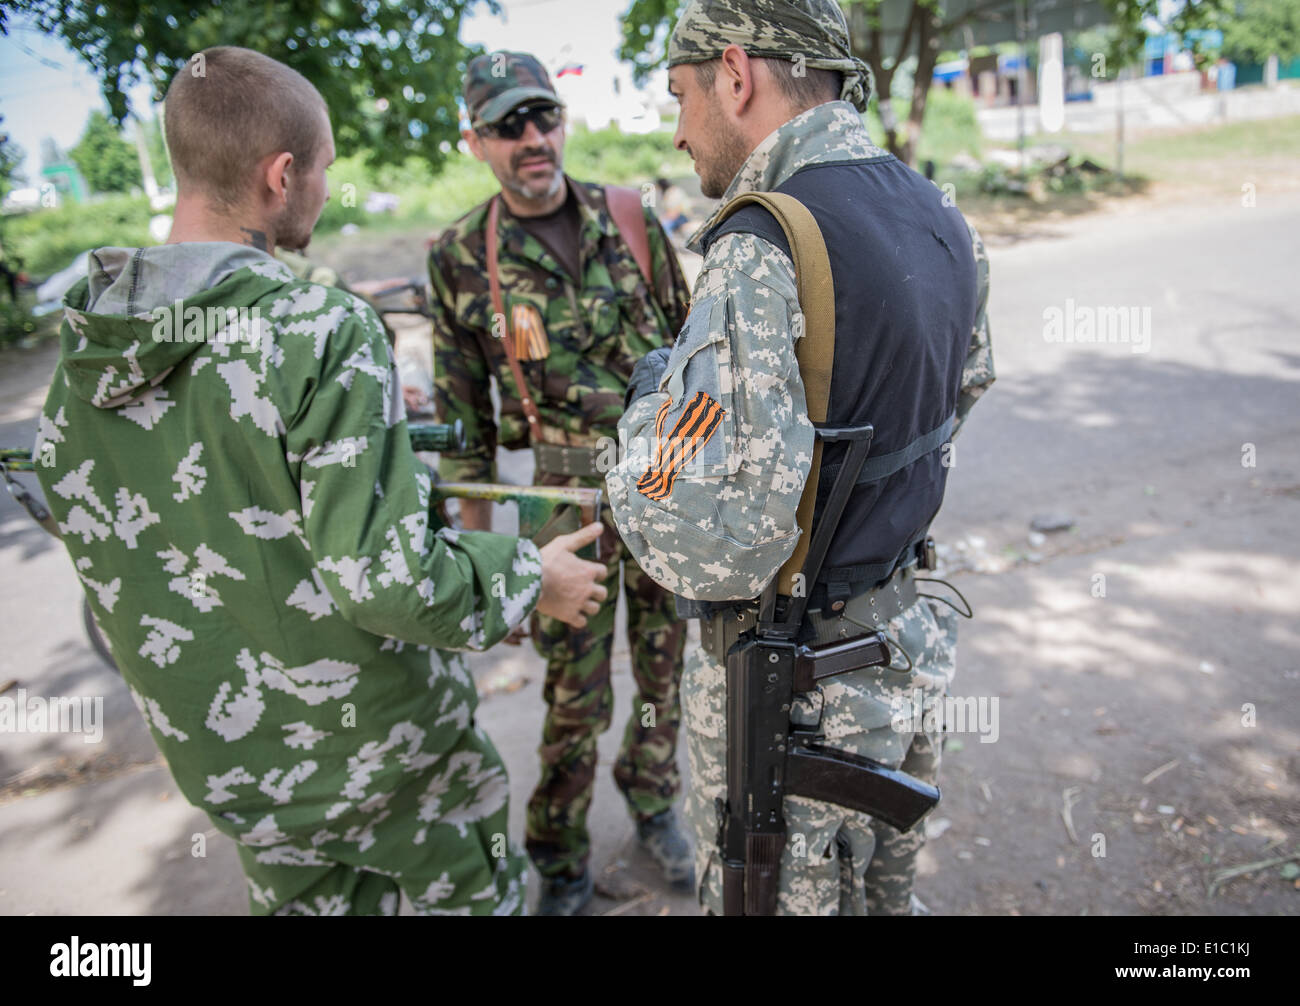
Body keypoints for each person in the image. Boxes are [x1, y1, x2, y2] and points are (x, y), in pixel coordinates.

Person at [31, 45, 607, 917]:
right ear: (282, 174)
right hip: (389, 761)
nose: (328, 191)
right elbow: (385, 581)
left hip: (235, 778)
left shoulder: (84, 356)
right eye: (327, 169)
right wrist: (532, 575)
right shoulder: (317, 326)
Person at [606, 0, 995, 915]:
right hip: (899, 640)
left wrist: (639, 428)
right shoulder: (935, 209)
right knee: (883, 899)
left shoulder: (762, 239)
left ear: (735, 75)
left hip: (798, 685)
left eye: (681, 95)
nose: (677, 133)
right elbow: (962, 388)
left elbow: (710, 540)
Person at [426, 51, 695, 914]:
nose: (533, 139)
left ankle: (655, 803)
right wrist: (483, 564)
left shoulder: (632, 216)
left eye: (543, 117)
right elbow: (462, 425)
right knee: (574, 698)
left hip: (667, 481)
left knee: (666, 672)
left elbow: (700, 357)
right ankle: (561, 858)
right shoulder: (463, 257)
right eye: (508, 126)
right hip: (564, 506)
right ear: (477, 141)